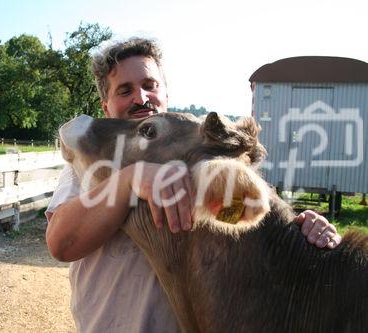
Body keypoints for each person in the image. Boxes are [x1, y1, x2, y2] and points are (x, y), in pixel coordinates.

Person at [45, 37, 342, 332]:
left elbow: (254, 211)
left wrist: (302, 227)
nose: (141, 97)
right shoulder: (91, 162)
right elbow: (61, 243)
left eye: (150, 85)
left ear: (165, 93)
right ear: (106, 106)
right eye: (125, 90)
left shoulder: (199, 153)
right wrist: (129, 179)